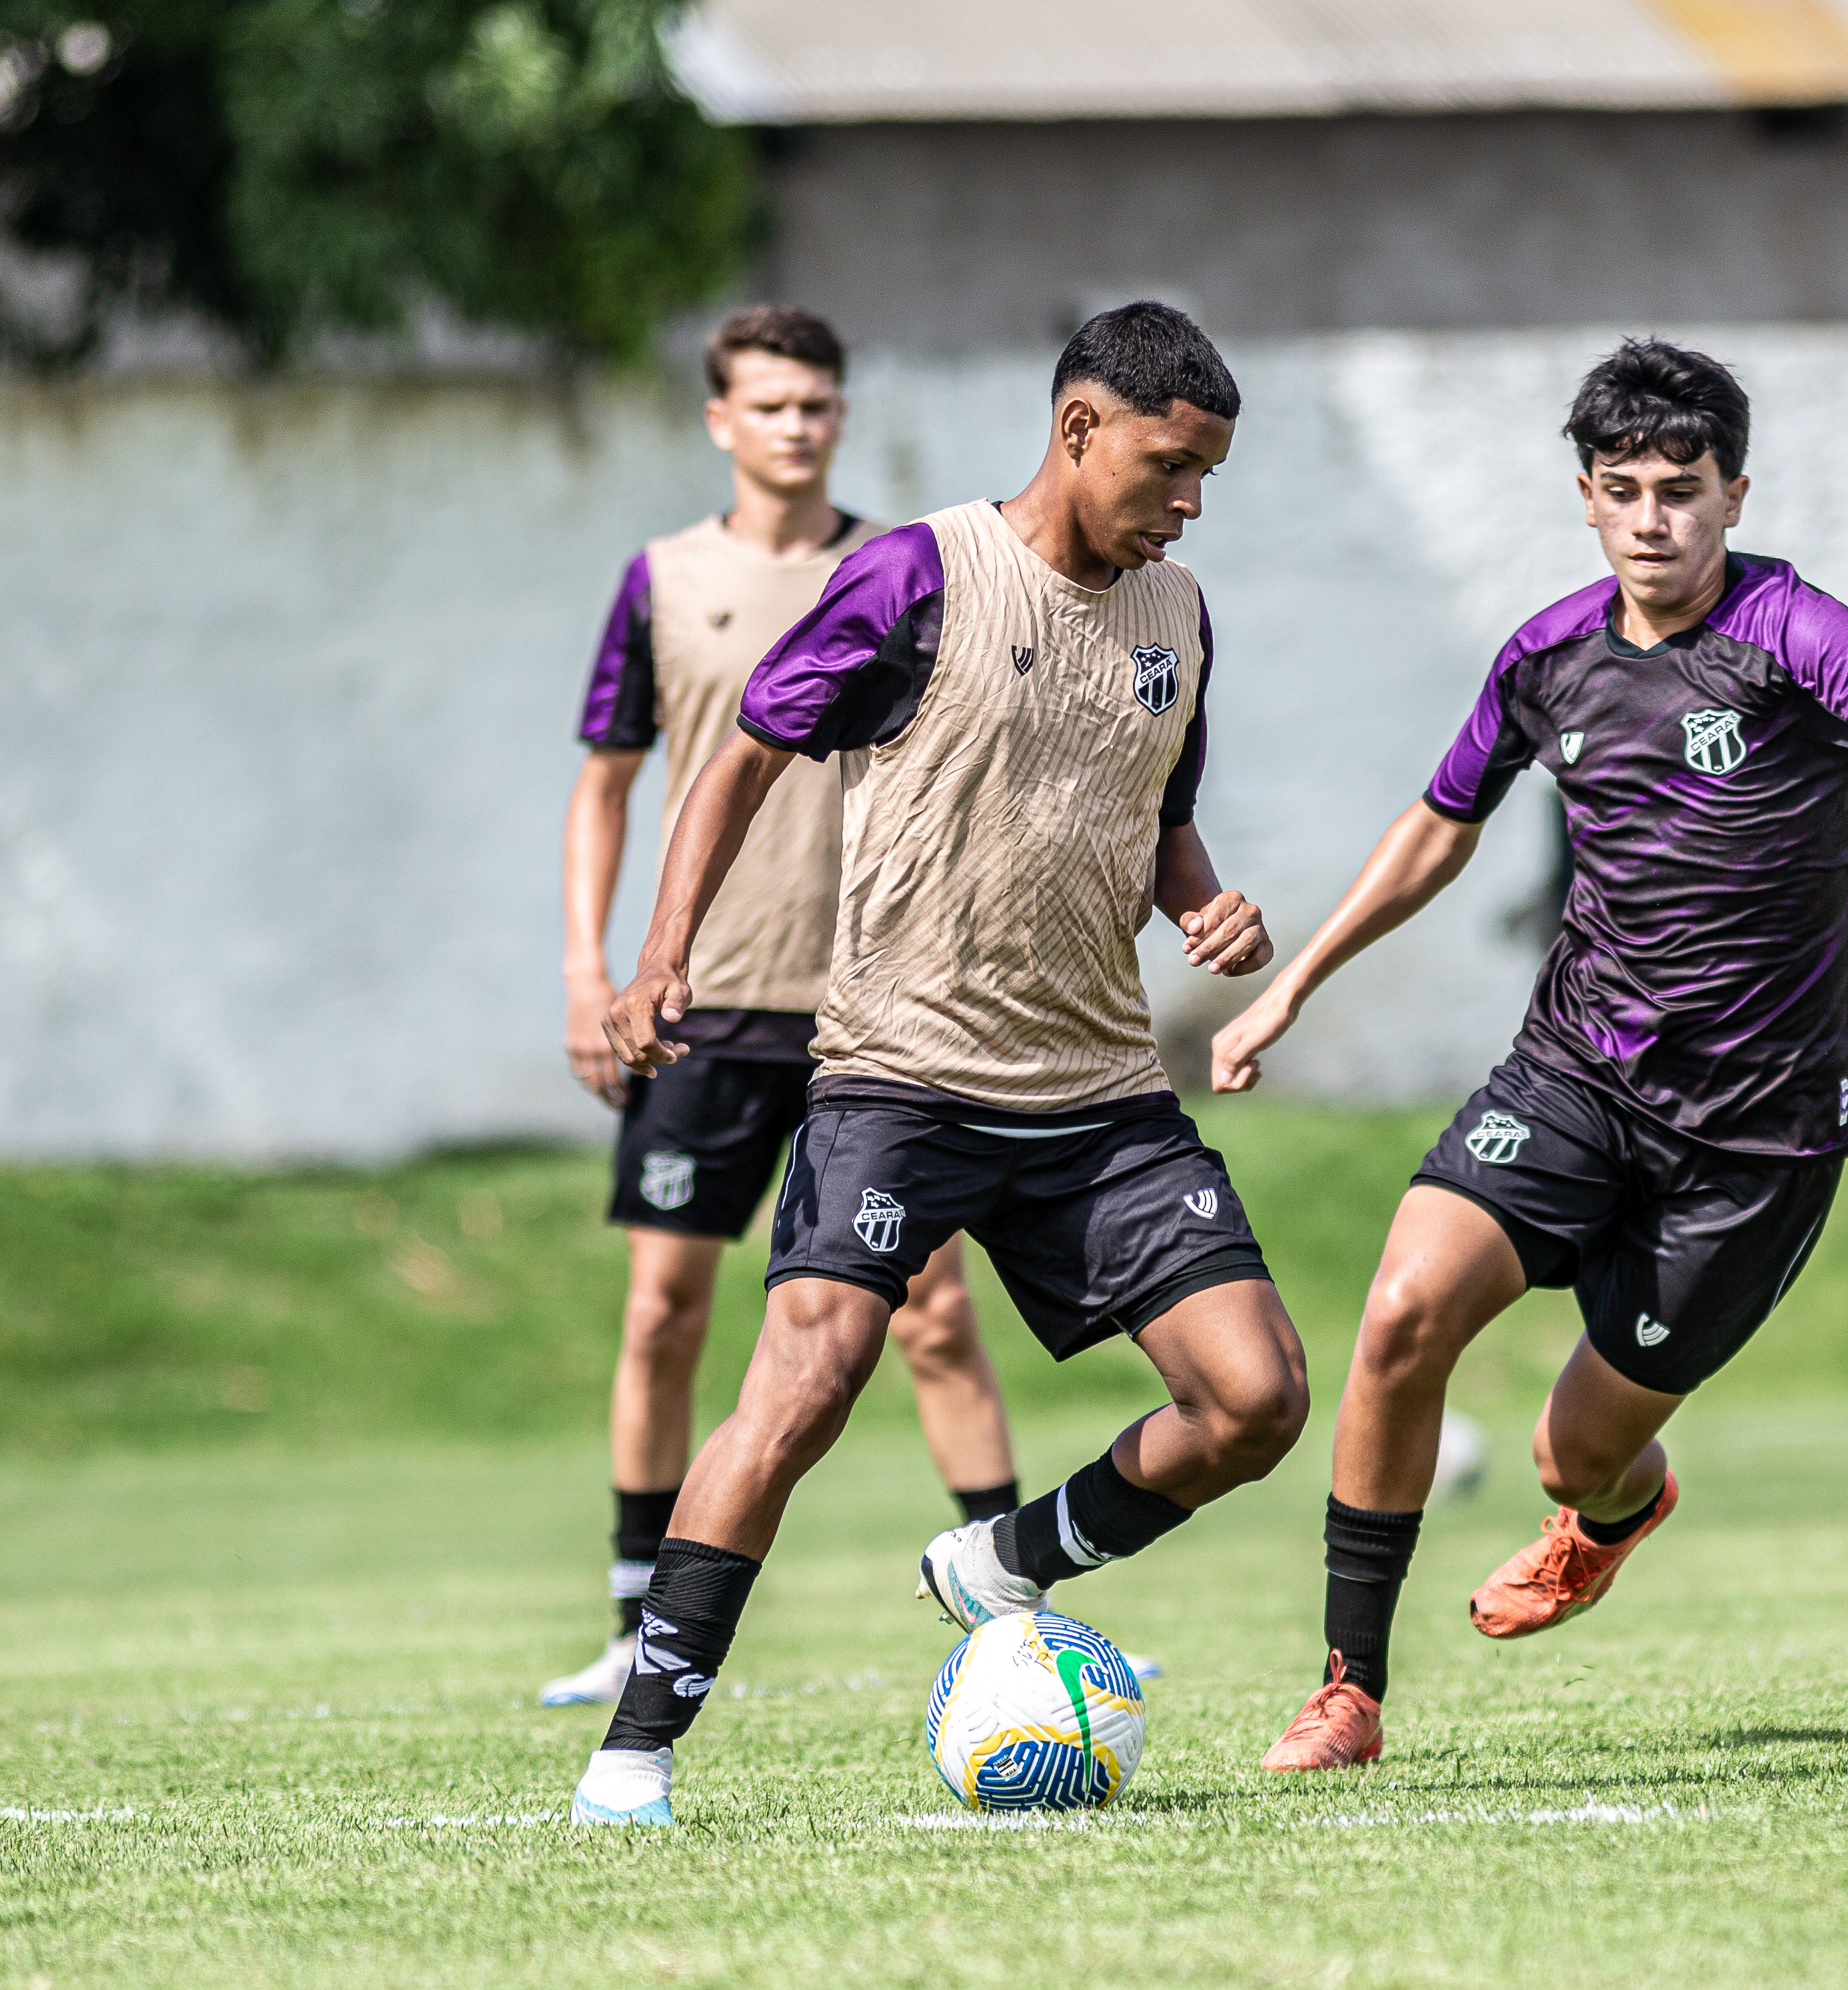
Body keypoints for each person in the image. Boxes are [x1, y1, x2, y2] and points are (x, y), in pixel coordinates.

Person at [1219, 339, 1848, 1771]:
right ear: (1584, 498)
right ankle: (1346, 1689)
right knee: (1400, 1310)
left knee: (1565, 1454)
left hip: (1757, 1134)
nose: (1653, 518)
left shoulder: (1793, 634)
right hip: (1575, 1074)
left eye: (1681, 491)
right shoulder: (1546, 658)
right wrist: (1295, 983)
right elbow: (1436, 825)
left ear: (1732, 492)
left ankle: (1610, 1509)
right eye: (1622, 490)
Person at [569, 302, 1307, 1827]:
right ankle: (632, 1748)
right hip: (900, 1074)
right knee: (806, 1381)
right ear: (1079, 428)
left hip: (1098, 1093)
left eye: (1208, 479)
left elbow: (1157, 806)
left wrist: (1202, 903)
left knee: (1255, 1399)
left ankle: (1007, 1562)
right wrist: (661, 955)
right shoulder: (916, 575)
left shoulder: (1180, 614)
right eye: (1170, 466)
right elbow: (740, 757)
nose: (1187, 504)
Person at [540, 305, 1020, 1709]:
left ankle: (1004, 1601)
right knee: (663, 1310)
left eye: (817, 402)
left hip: (867, 1010)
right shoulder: (660, 580)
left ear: (840, 415)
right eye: (768, 404)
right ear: (720, 420)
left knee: (931, 1306)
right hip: (704, 1012)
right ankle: (638, 1615)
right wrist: (591, 970)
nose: (795, 425)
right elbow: (605, 784)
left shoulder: (896, 573)